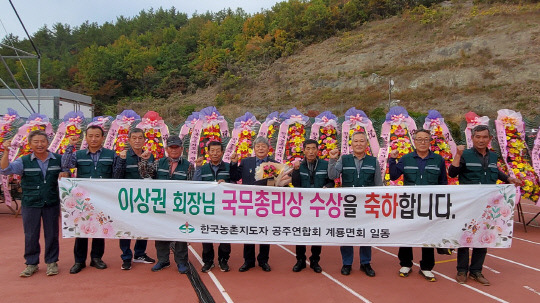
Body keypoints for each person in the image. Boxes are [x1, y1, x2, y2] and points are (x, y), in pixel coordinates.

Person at [448, 124, 521, 286]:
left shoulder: (494, 157)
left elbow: (496, 172)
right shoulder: (465, 154)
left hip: (489, 205)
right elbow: (452, 173)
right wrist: (458, 155)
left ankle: (476, 271)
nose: (481, 140)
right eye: (478, 137)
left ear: (490, 139)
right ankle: (461, 270)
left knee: (483, 237)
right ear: (472, 138)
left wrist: (509, 179)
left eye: (484, 137)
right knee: (465, 237)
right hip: (468, 204)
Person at [389, 129, 448, 282]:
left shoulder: (438, 160)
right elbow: (394, 175)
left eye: (426, 139)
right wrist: (392, 160)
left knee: (428, 234)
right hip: (409, 203)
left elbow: (443, 183)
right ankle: (406, 263)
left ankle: (427, 267)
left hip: (430, 204)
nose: (422, 142)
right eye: (419, 139)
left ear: (430, 142)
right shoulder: (406, 158)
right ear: (414, 141)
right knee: (407, 232)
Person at [61, 125, 121, 274]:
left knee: (100, 228)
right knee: (82, 229)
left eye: (97, 136)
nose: (93, 139)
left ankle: (96, 258)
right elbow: (65, 165)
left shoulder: (111, 154)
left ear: (102, 138)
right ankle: (79, 261)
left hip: (103, 198)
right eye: (90, 136)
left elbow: (117, 174)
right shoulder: (78, 154)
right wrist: (70, 146)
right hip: (82, 200)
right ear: (86, 138)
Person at [1, 130, 61, 277]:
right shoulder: (23, 161)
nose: (40, 144)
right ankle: (31, 263)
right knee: (31, 234)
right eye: (36, 142)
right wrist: (6, 151)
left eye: (42, 141)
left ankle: (52, 262)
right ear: (30, 144)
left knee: (52, 234)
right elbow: (4, 170)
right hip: (30, 203)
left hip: (51, 202)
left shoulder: (58, 159)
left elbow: (67, 172)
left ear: (48, 143)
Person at [328, 131, 382, 277]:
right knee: (347, 233)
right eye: (356, 141)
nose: (359, 144)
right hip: (348, 204)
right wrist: (332, 160)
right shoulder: (343, 159)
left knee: (366, 233)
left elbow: (378, 185)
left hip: (367, 204)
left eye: (362, 141)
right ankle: (347, 263)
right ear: (351, 144)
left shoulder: (373, 161)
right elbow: (332, 176)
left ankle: (365, 263)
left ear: (366, 144)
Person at [139, 136, 193, 274]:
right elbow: (145, 175)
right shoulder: (158, 163)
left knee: (181, 234)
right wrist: (144, 160)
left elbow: (193, 186)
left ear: (181, 149)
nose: (174, 150)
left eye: (176, 147)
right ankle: (163, 260)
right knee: (161, 233)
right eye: (171, 147)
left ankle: (181, 261)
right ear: (167, 149)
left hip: (179, 206)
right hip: (161, 205)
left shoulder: (188, 166)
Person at [230, 136, 276, 272]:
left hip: (265, 203)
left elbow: (278, 183)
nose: (261, 148)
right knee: (249, 231)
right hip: (249, 202)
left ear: (268, 149)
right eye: (258, 146)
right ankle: (248, 261)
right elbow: (234, 177)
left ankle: (263, 261)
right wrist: (233, 163)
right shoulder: (246, 162)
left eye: (263, 146)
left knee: (264, 232)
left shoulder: (274, 164)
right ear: (254, 149)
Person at [114, 128, 156, 270]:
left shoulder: (149, 156)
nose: (137, 141)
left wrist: (146, 161)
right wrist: (122, 160)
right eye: (134, 138)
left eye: (140, 138)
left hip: (144, 199)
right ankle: (126, 256)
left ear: (144, 140)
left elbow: (152, 176)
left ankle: (140, 253)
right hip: (127, 199)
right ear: (129, 140)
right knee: (125, 228)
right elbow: (116, 176)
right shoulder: (122, 155)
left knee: (143, 226)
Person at [290, 139, 334, 273]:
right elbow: (296, 184)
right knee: (301, 233)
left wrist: (327, 186)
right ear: (304, 150)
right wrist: (296, 170)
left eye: (313, 148)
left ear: (317, 150)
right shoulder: (299, 166)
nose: (311, 151)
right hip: (302, 206)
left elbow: (331, 182)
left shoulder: (325, 165)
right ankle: (300, 260)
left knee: (317, 233)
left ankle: (315, 260)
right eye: (308, 149)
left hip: (318, 206)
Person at [193, 140, 232, 273]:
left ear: (222, 152)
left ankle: (223, 260)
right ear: (208, 152)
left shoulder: (228, 167)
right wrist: (198, 168)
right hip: (207, 207)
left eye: (218, 151)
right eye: (212, 151)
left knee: (225, 234)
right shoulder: (202, 168)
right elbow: (196, 184)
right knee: (207, 233)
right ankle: (208, 261)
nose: (215, 153)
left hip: (225, 207)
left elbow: (234, 183)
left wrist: (226, 183)